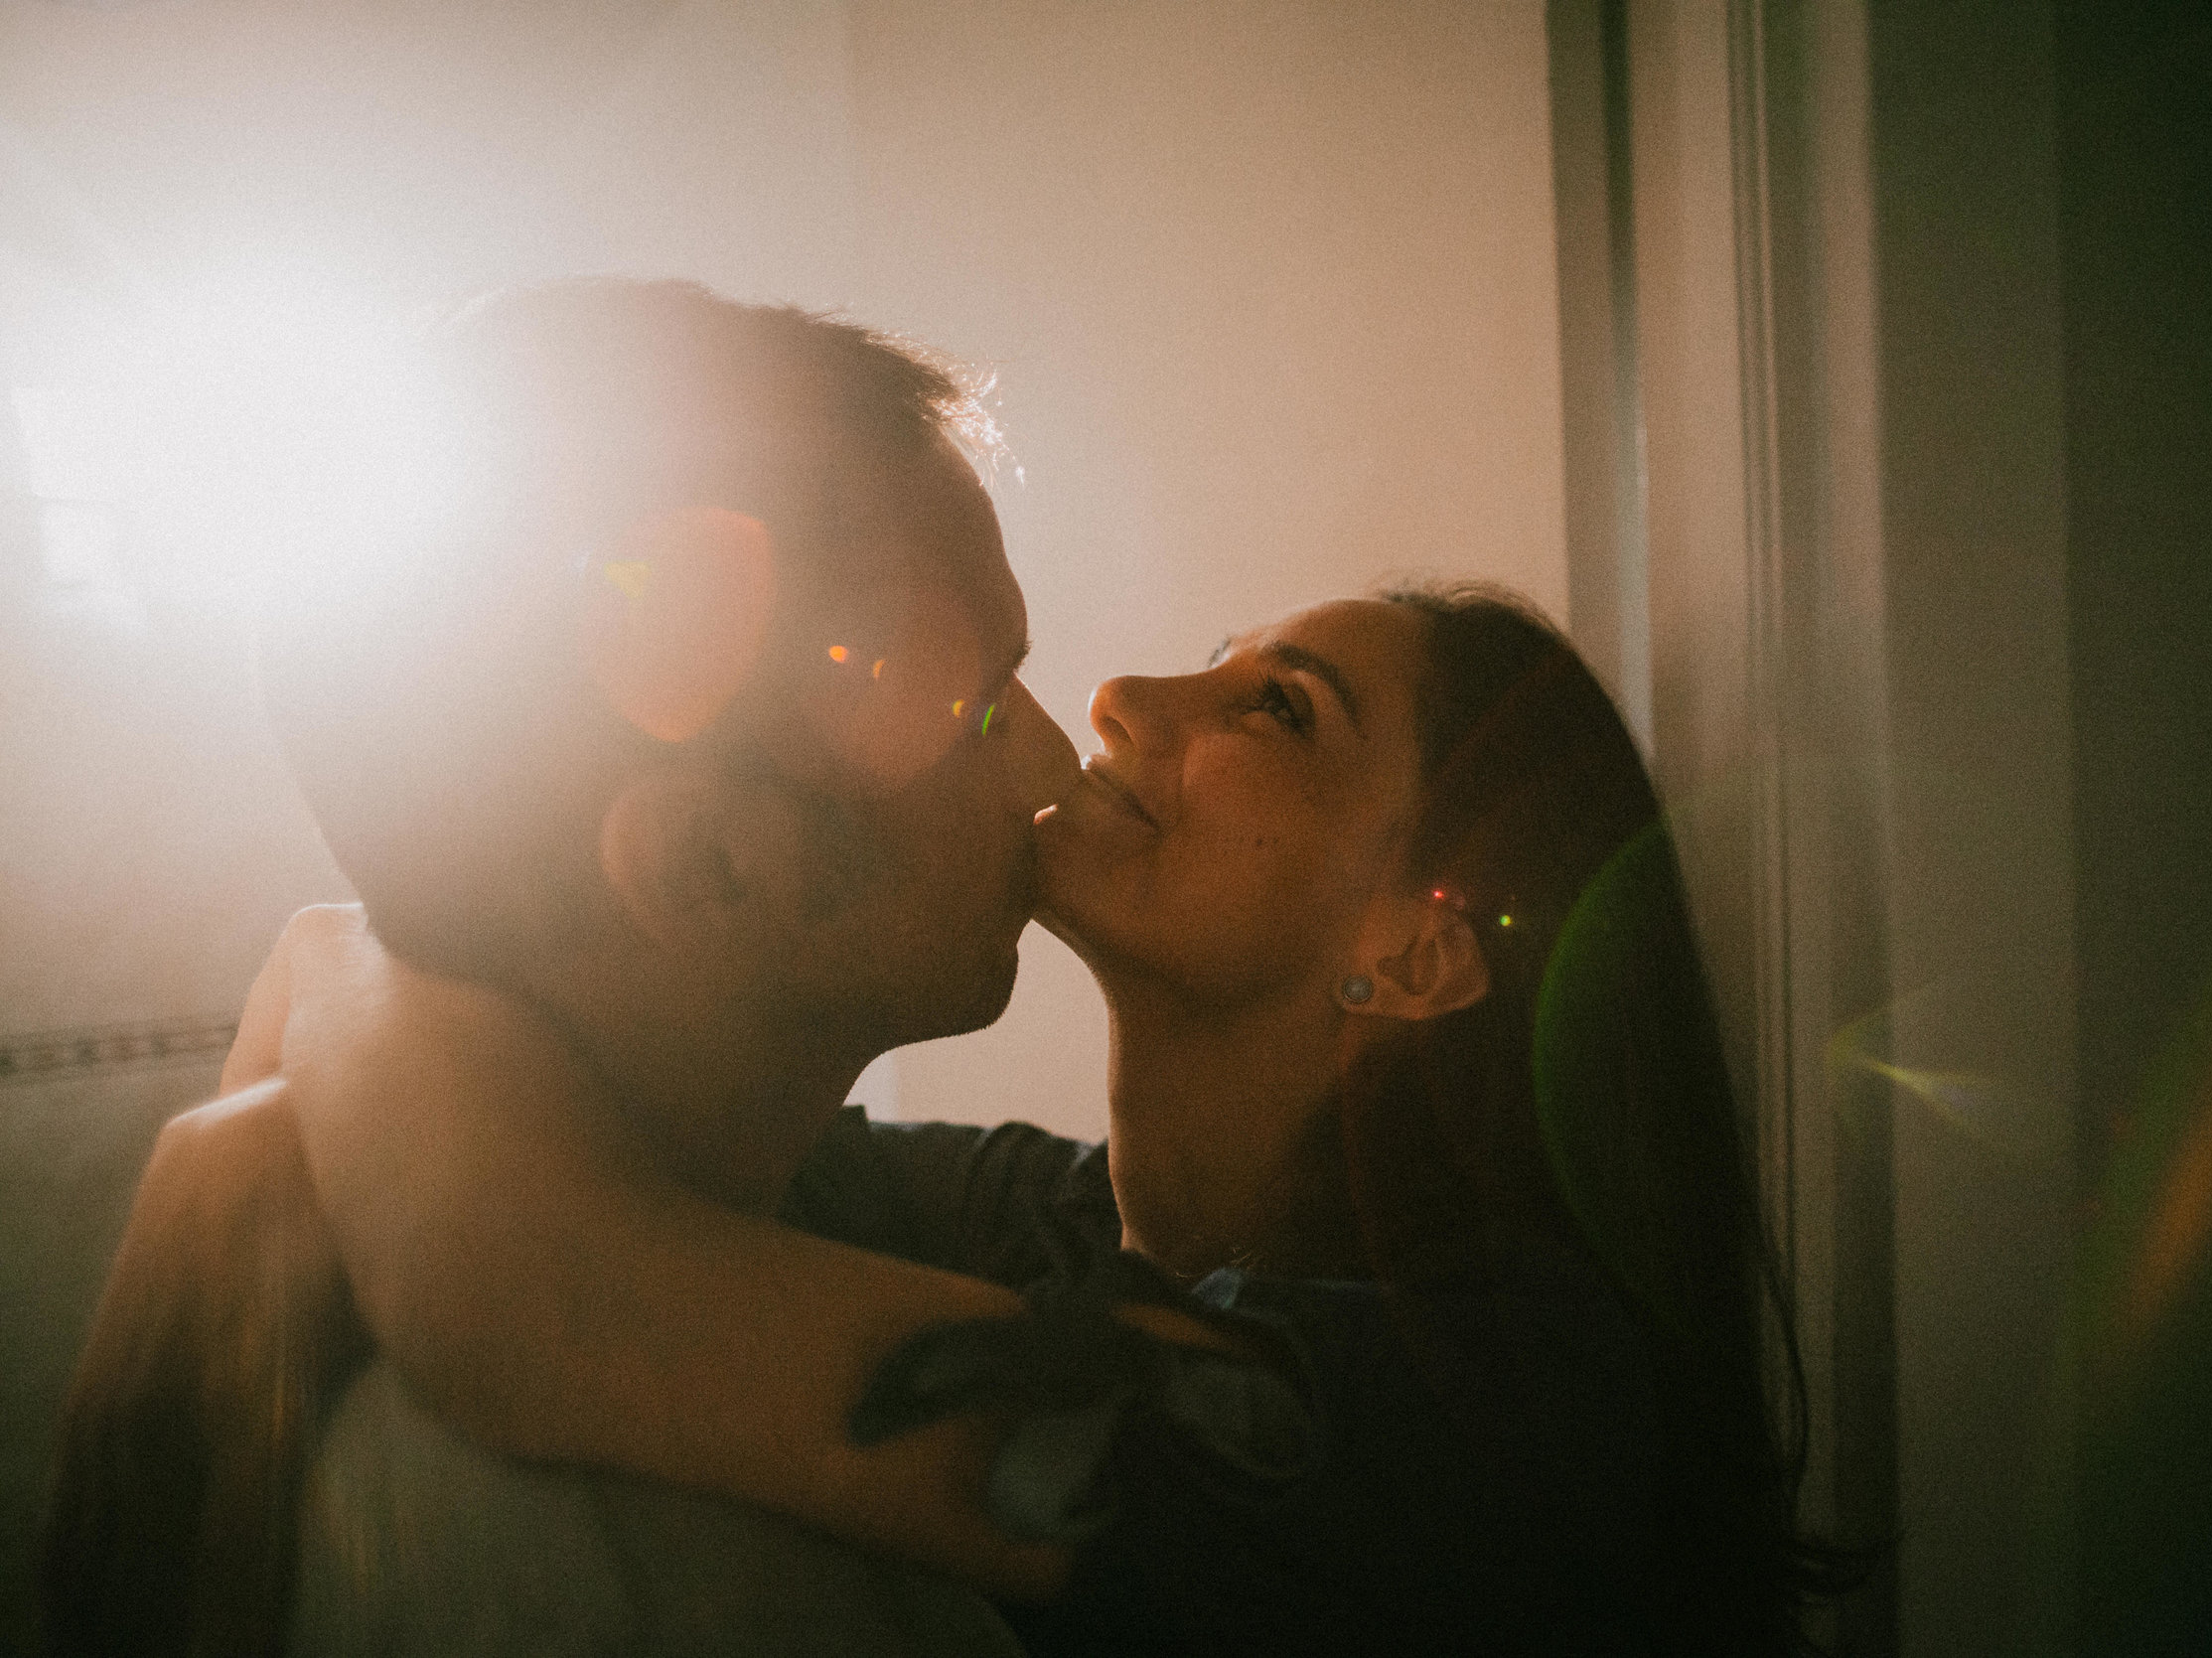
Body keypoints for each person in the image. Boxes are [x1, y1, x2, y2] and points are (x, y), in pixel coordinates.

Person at [238, 577, 1837, 1653]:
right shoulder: (1060, 1229)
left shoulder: (1495, 1407)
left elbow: (534, 1288)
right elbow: (542, 1127)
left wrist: (325, 965)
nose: (1127, 694)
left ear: (1419, 948)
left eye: (1279, 709)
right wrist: (308, 1011)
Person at [39, 277, 1089, 1655]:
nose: (1065, 764)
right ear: (708, 866)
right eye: (984, 710)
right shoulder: (595, 1566)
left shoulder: (824, 1214)